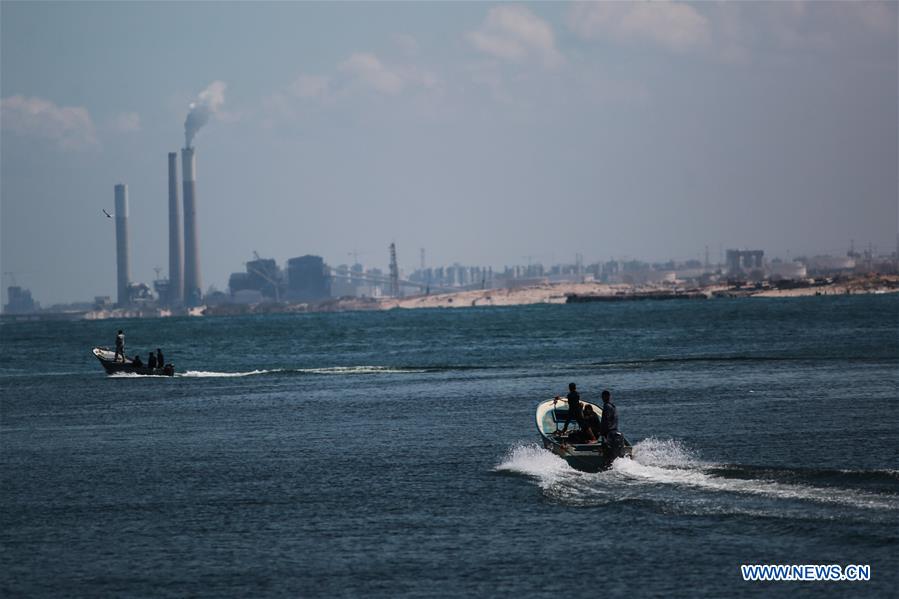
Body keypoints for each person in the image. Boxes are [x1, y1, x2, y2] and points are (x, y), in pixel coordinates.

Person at [599, 390, 622, 461]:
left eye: (603, 396)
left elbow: (606, 420)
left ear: (604, 397)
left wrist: (602, 433)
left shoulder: (606, 406)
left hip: (609, 433)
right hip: (615, 431)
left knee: (607, 452)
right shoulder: (613, 406)